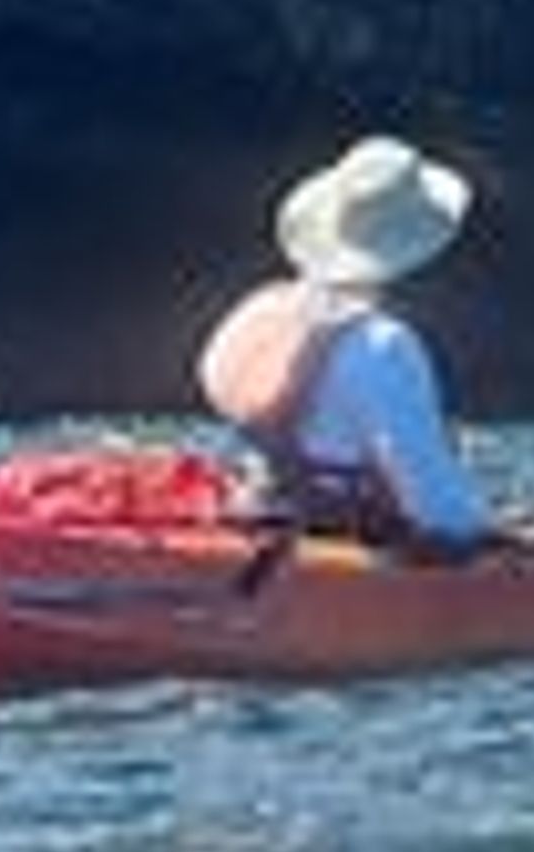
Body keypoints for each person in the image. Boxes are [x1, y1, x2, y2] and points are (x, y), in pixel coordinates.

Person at [197, 133, 495, 556]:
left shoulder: (257, 311)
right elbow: (442, 515)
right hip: (343, 546)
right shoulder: (385, 346)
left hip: (261, 514)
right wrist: (489, 528)